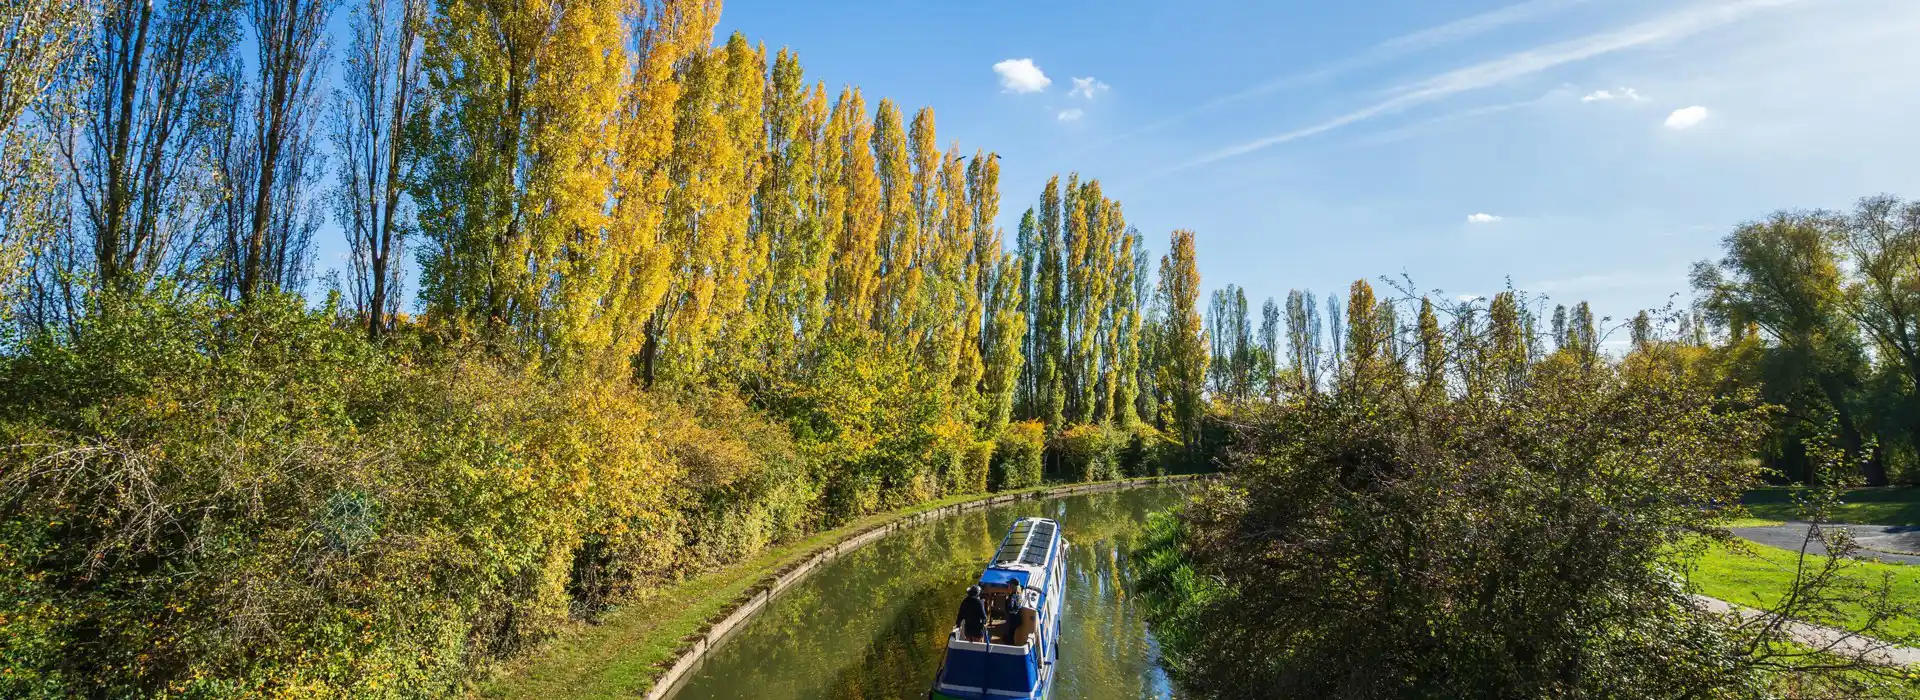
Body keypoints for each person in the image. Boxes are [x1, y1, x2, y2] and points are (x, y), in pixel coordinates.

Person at [1001, 578, 1026, 644]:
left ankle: (1010, 645)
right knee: (1011, 634)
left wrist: (1007, 600)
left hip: (1012, 620)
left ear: (1012, 586)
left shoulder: (1012, 596)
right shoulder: (1019, 595)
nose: (1008, 586)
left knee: (1009, 636)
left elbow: (1010, 607)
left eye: (1009, 584)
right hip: (1017, 619)